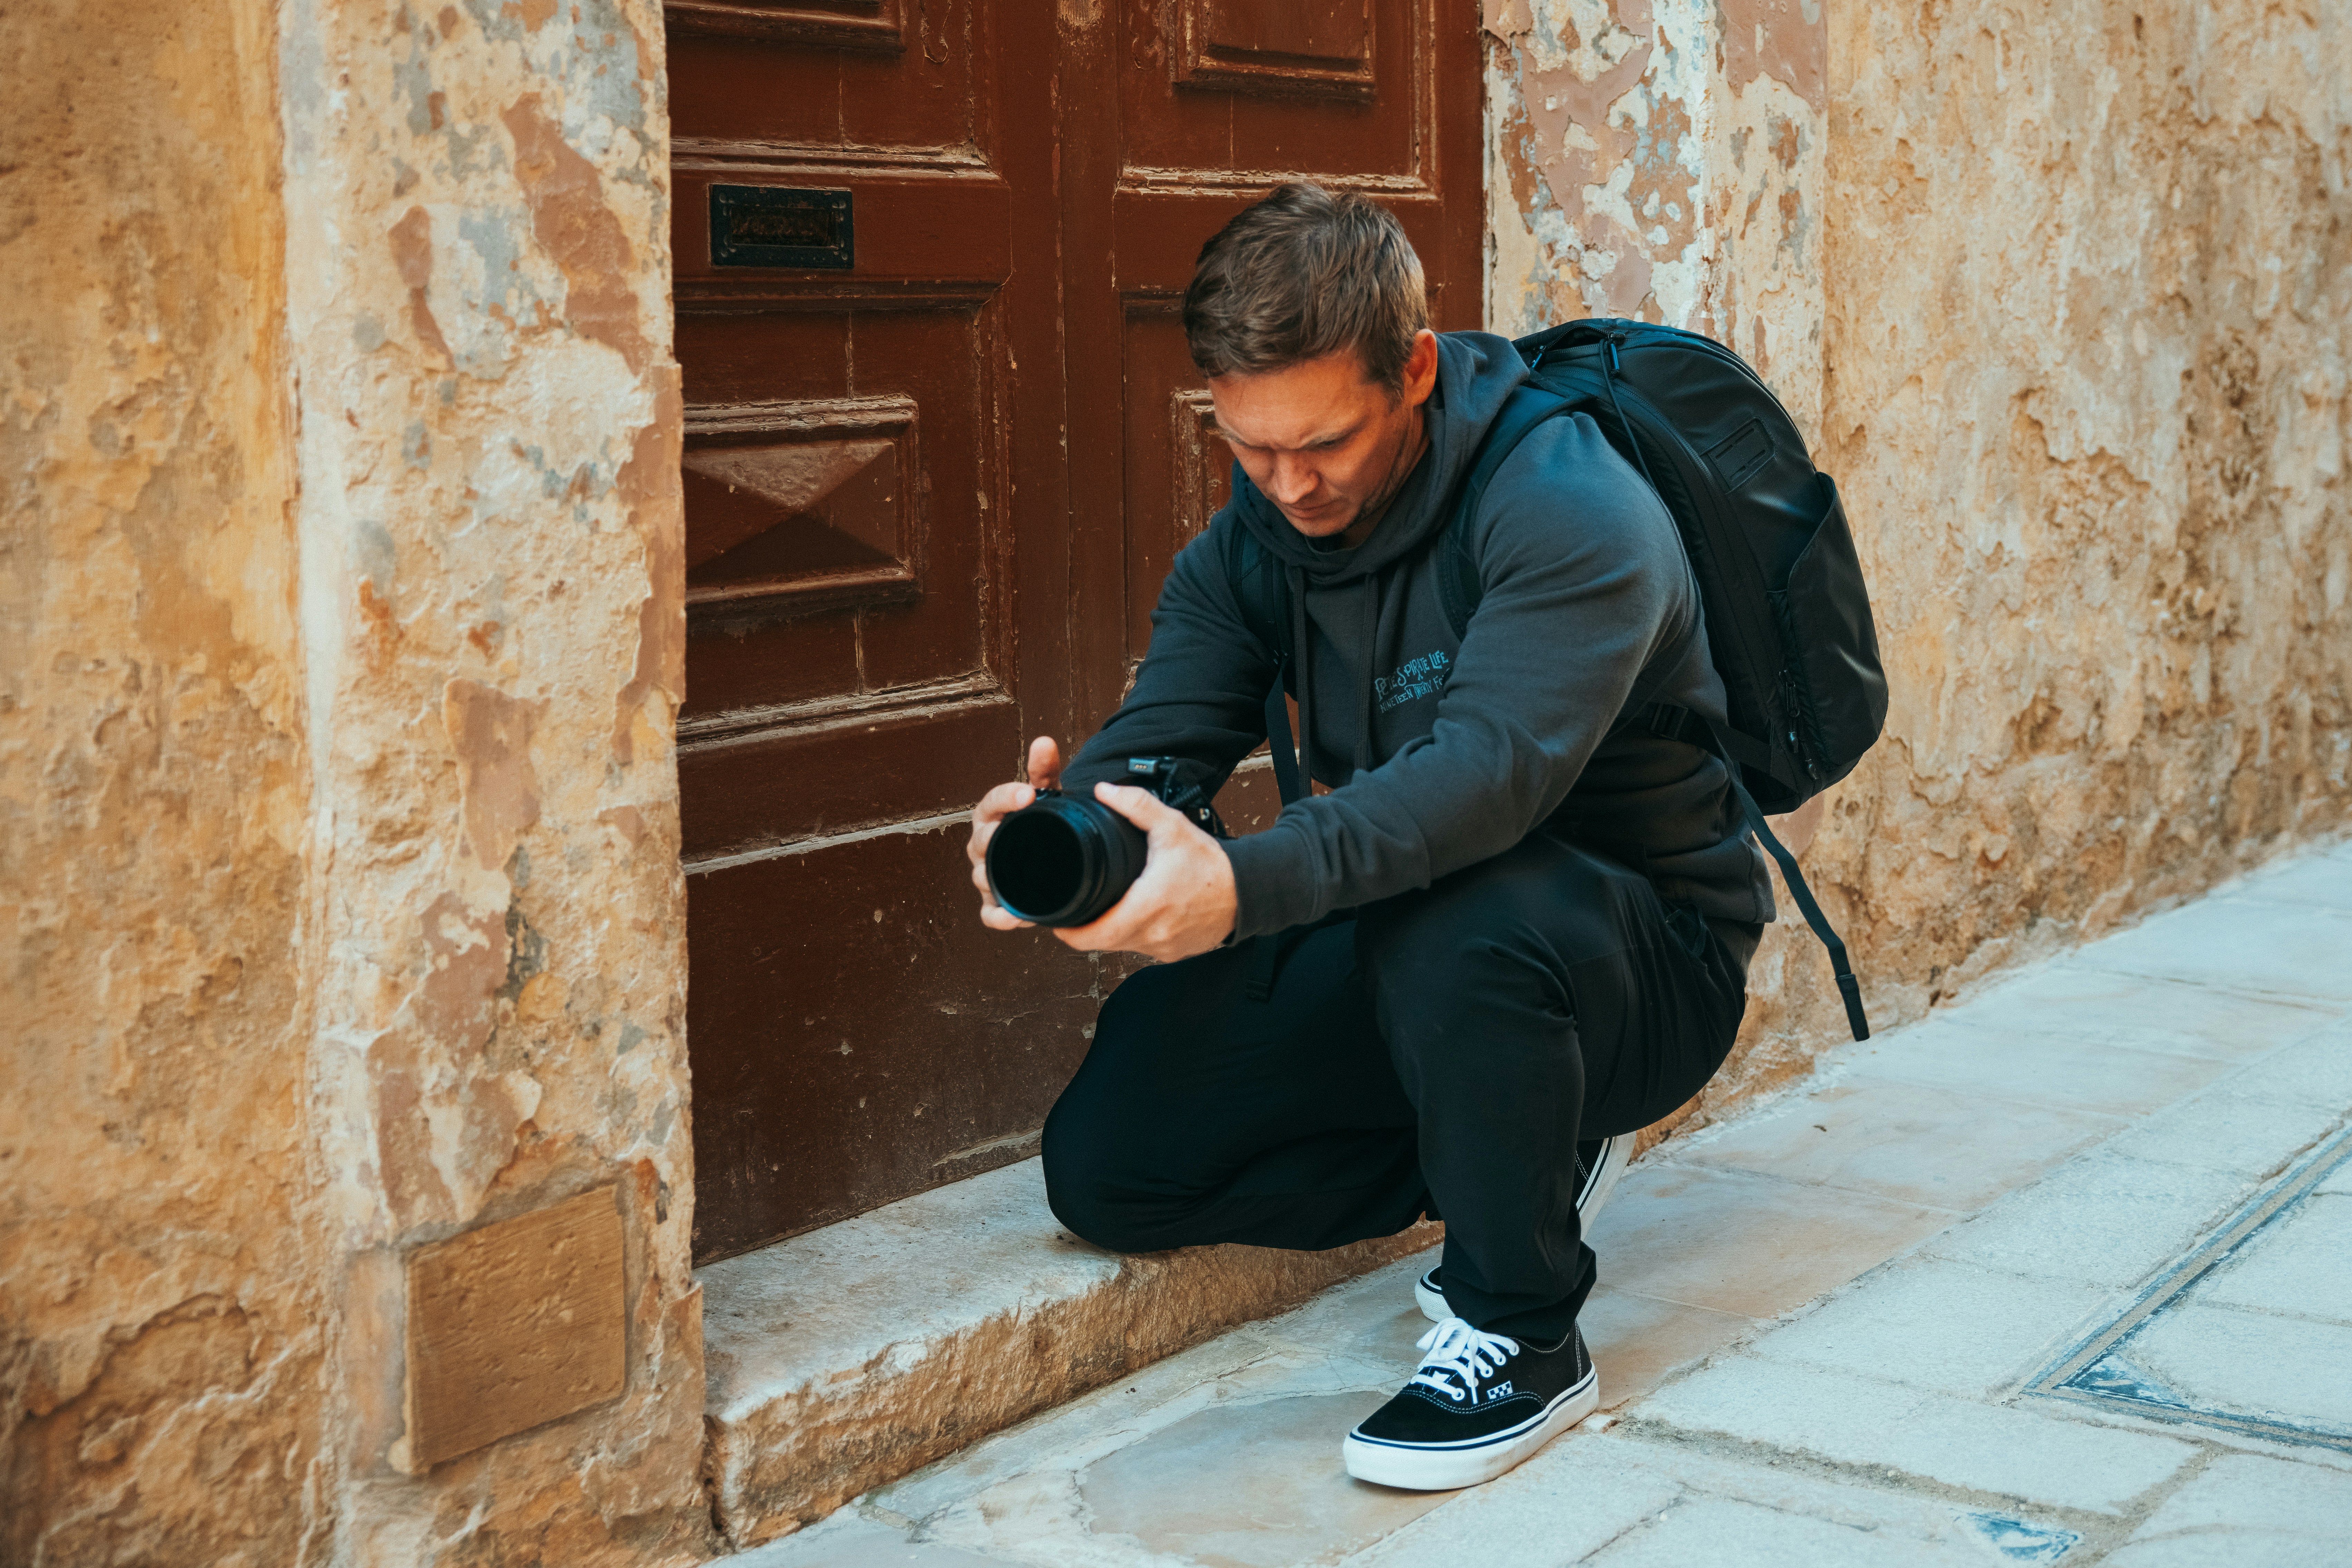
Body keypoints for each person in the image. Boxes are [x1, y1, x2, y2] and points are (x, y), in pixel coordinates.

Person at [964, 182, 1772, 1491]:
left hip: (1632, 953)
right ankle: (1517, 1134)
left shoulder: (1571, 511)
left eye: (1324, 443)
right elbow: (1167, 731)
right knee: (1111, 1168)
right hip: (1418, 934)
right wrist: (1068, 835)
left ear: (1412, 367)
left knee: (1467, 910)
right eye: (1252, 449)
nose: (1289, 486)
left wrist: (1231, 891)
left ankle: (1522, 1326)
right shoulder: (1257, 540)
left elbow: (1480, 788)